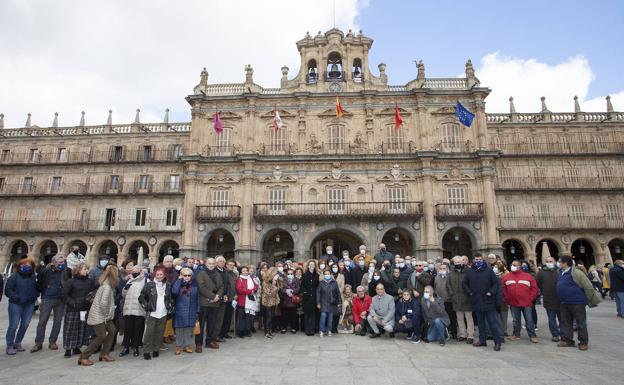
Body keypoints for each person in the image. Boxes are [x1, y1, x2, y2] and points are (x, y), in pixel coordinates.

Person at [556, 256, 601, 350]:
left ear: (565, 263)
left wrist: (589, 299)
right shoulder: (561, 273)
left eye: (560, 262)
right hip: (564, 302)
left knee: (581, 323)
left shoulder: (576, 273)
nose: (559, 264)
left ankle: (583, 342)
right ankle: (567, 340)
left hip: (577, 302)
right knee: (566, 322)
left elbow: (587, 286)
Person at [78, 265, 119, 366]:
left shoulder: (107, 284)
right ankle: (84, 357)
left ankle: (104, 353)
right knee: (101, 336)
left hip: (105, 316)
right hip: (100, 315)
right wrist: (106, 315)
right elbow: (103, 303)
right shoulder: (107, 287)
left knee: (113, 330)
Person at [462, 254, 503, 351]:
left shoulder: (489, 271)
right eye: (477, 259)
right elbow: (464, 284)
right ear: (474, 260)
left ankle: (497, 342)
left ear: (483, 260)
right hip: (476, 300)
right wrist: (469, 292)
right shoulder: (469, 271)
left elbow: (496, 283)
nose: (478, 261)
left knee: (492, 323)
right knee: (480, 323)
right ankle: (482, 340)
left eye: (480, 259)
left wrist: (491, 292)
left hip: (488, 300)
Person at [32, 255, 67, 352]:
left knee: (58, 321)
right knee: (42, 321)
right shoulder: (45, 271)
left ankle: (53, 341)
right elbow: (38, 283)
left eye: (63, 262)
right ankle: (38, 343)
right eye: (60, 262)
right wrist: (45, 290)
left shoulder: (65, 271)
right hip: (47, 298)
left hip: (60, 299)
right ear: (53, 262)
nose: (62, 264)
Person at [61, 262, 97, 358]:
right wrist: (72, 302)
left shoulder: (90, 281)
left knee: (82, 329)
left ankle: (77, 346)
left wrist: (91, 298)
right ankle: (68, 348)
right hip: (73, 309)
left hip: (85, 308)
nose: (86, 271)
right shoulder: (71, 281)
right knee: (70, 329)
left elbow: (94, 290)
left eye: (86, 269)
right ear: (78, 270)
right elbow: (64, 295)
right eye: (84, 269)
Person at [5, 258, 39, 355]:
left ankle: (18, 342)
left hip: (29, 303)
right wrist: (17, 297)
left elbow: (36, 288)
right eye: (24, 265)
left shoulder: (33, 277)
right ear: (20, 266)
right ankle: (10, 345)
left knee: (25, 324)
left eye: (29, 265)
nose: (26, 267)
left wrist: (34, 295)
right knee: (13, 325)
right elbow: (8, 290)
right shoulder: (14, 277)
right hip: (16, 304)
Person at [139, 267, 173, 360]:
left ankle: (156, 349)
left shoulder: (167, 285)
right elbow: (141, 297)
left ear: (164, 275)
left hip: (163, 312)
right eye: (157, 274)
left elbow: (169, 297)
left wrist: (170, 304)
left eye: (161, 274)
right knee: (149, 332)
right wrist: (147, 306)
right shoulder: (149, 285)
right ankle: (146, 351)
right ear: (155, 275)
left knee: (159, 332)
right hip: (153, 312)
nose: (159, 276)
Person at [502, 260, 539, 343]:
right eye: (512, 264)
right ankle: (516, 334)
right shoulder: (507, 277)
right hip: (513, 303)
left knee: (529, 319)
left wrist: (531, 298)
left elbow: (534, 288)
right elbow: (503, 288)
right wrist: (507, 298)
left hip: (526, 302)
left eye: (515, 265)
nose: (512, 266)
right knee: (515, 320)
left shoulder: (528, 276)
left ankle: (532, 335)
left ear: (519, 266)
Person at [195, 258, 223, 352]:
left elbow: (221, 286)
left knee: (212, 324)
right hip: (204, 303)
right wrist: (213, 296)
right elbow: (201, 288)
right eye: (209, 263)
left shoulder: (217, 274)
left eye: (213, 263)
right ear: (205, 264)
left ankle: (209, 341)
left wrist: (218, 295)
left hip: (215, 303)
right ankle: (198, 343)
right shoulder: (201, 274)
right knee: (201, 325)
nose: (211, 265)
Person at [120, 263, 146, 357]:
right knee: (127, 329)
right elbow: (123, 294)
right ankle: (126, 347)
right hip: (128, 309)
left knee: (138, 330)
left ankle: (136, 347)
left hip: (139, 309)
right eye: (133, 271)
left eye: (136, 271)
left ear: (140, 272)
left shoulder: (144, 280)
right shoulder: (129, 280)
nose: (134, 273)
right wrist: (125, 289)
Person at [171, 268, 199, 355]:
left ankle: (186, 345)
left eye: (189, 275)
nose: (187, 277)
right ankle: (178, 346)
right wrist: (179, 280)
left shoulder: (194, 285)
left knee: (189, 329)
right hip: (180, 309)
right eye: (185, 275)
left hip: (191, 309)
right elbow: (174, 292)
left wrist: (198, 310)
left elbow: (198, 298)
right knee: (179, 329)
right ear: (181, 276)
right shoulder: (178, 283)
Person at [447, 256, 474, 343]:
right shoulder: (451, 273)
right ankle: (463, 334)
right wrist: (452, 295)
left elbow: (472, 284)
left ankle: (470, 335)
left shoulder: (469, 272)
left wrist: (469, 294)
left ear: (462, 262)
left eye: (459, 262)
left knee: (469, 318)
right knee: (459, 318)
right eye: (455, 263)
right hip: (456, 299)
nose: (457, 264)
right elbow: (448, 285)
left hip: (467, 299)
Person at [536, 256, 562, 341]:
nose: (549, 263)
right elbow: (538, 284)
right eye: (547, 261)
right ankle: (555, 334)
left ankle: (563, 333)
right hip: (548, 299)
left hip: (561, 299)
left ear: (555, 261)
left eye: (551, 261)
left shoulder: (560, 271)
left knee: (562, 318)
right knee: (551, 319)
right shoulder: (541, 272)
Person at [316, 269, 342, 337]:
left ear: (330, 275)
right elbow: (318, 293)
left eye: (328, 274)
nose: (327, 275)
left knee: (330, 318)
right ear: (324, 275)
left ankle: (329, 330)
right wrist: (318, 303)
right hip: (323, 302)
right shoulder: (321, 283)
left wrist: (339, 302)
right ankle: (321, 330)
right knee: (323, 317)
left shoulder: (334, 283)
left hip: (332, 303)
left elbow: (338, 293)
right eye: (326, 274)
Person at [434, 263, 456, 339]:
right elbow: (435, 287)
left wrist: (450, 297)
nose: (442, 270)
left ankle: (454, 333)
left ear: (447, 269)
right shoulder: (437, 277)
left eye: (444, 268)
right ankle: (443, 332)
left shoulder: (450, 277)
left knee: (451, 317)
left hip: (448, 301)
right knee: (441, 317)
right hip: (439, 301)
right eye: (441, 268)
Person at [235, 266, 259, 338]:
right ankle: (240, 331)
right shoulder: (239, 279)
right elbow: (239, 289)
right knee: (241, 317)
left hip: (250, 301)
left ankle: (247, 330)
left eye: (246, 271)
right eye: (243, 271)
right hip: (242, 301)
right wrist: (250, 291)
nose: (245, 272)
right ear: (241, 272)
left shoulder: (251, 278)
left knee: (248, 317)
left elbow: (256, 286)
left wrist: (252, 290)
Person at [219, 259, 238, 339]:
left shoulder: (234, 274)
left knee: (228, 317)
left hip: (232, 299)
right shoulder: (224, 273)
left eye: (233, 265)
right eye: (230, 265)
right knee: (222, 317)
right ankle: (220, 334)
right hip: (225, 298)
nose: (231, 266)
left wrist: (236, 294)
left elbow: (236, 286)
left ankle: (225, 332)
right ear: (226, 265)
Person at [301, 260, 319, 336]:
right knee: (307, 314)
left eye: (313, 265)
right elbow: (302, 285)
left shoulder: (317, 275)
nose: (312, 266)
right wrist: (305, 292)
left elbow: (318, 286)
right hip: (307, 298)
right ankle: (307, 330)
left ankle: (312, 329)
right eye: (310, 265)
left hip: (314, 298)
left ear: (315, 266)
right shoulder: (304, 275)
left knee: (313, 314)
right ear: (308, 266)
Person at [279, 268, 300, 334]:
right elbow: (280, 288)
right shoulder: (283, 280)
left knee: (293, 315)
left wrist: (293, 291)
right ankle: (284, 328)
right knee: (284, 315)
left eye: (291, 273)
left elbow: (298, 288)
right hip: (285, 300)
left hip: (293, 300)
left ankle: (293, 328)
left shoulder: (296, 280)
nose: (290, 275)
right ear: (286, 274)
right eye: (288, 274)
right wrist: (286, 291)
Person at [261, 267, 280, 338]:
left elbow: (278, 289)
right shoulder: (265, 282)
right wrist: (273, 285)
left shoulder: (273, 281)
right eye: (275, 273)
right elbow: (269, 293)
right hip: (267, 302)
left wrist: (275, 284)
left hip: (274, 301)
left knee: (272, 317)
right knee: (268, 317)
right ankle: (266, 332)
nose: (276, 274)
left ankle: (269, 331)